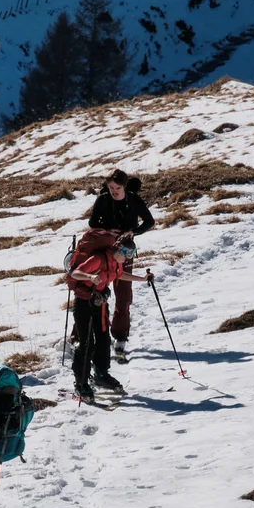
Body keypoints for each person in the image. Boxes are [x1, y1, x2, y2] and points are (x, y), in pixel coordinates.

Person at [87, 171, 154, 364]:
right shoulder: (103, 199)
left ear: (125, 186)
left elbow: (149, 221)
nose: (114, 192)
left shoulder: (133, 199)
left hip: (125, 251)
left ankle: (120, 336)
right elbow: (92, 222)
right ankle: (87, 334)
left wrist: (133, 232)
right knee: (96, 290)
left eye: (117, 188)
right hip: (104, 247)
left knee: (123, 294)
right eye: (111, 188)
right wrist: (106, 231)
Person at [66, 228, 125, 402]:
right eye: (126, 252)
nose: (128, 257)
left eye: (131, 253)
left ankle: (101, 374)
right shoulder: (98, 259)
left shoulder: (116, 263)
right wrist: (90, 276)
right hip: (84, 303)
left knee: (103, 339)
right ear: (117, 250)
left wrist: (143, 279)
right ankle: (80, 383)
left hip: (100, 304)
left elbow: (120, 275)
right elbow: (75, 273)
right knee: (86, 343)